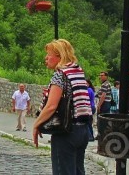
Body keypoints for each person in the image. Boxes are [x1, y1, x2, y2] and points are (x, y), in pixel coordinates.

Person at [33, 38, 92, 175]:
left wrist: (37, 124)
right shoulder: (77, 71)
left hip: (66, 132)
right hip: (82, 130)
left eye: (49, 54)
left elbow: (51, 106)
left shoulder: (60, 75)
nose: (46, 58)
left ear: (59, 56)